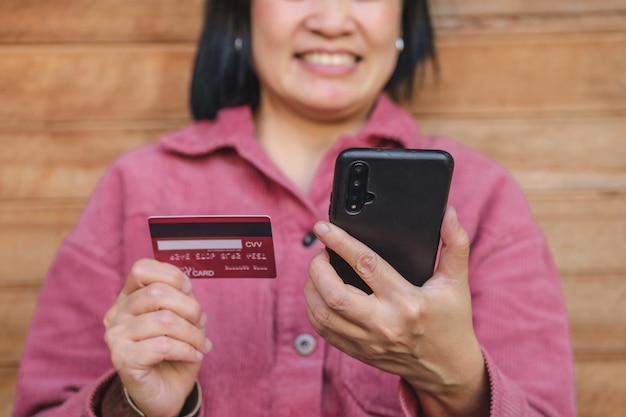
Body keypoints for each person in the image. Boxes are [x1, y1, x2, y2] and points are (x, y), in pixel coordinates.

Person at [12, 0, 577, 416]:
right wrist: (132, 405)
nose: (331, 19)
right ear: (241, 13)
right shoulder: (135, 188)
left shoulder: (483, 197)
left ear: (405, 18)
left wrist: (457, 381)